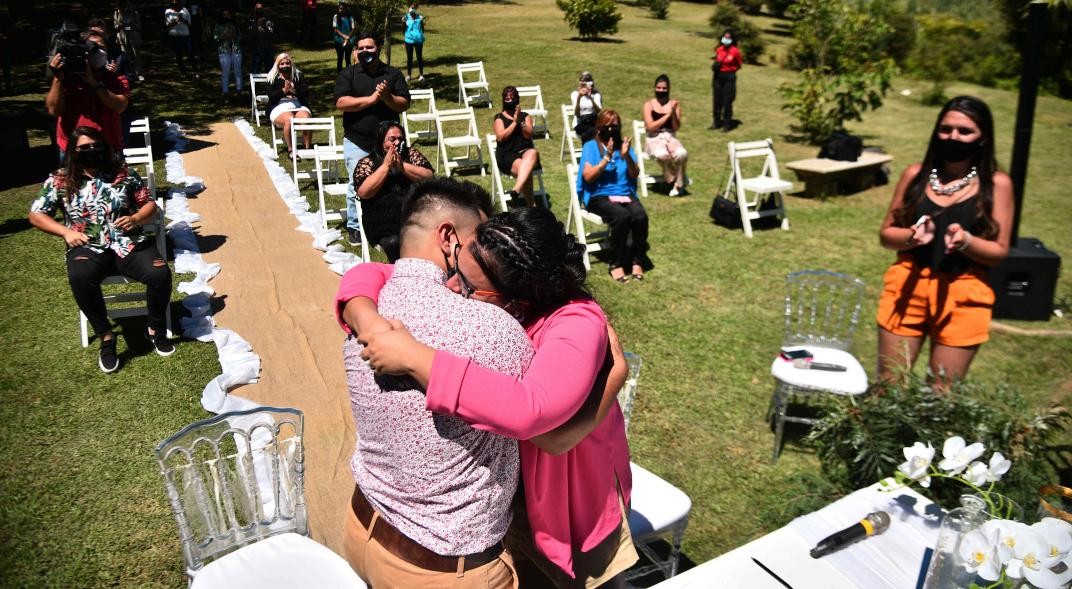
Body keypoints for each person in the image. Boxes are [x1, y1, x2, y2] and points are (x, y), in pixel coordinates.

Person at [339, 207, 636, 588]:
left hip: (572, 501)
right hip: (511, 497)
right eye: (453, 271)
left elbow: (534, 415)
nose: (448, 288)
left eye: (465, 286)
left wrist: (415, 357)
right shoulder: (502, 259)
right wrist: (367, 316)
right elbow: (376, 274)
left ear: (518, 299)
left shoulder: (577, 323)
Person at [336, 178, 529, 588]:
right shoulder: (493, 330)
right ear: (449, 238)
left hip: (362, 527)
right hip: (443, 568)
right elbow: (548, 418)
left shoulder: (367, 308)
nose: (493, 252)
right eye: (485, 240)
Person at [876, 96, 1013, 388]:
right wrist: (912, 236)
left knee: (941, 396)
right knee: (888, 387)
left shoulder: (996, 184)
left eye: (965, 132)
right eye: (946, 129)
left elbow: (999, 252)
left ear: (983, 137)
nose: (954, 137)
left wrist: (966, 242)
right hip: (908, 285)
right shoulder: (916, 175)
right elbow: (887, 235)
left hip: (963, 292)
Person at [28, 126, 175, 373]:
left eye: (96, 146)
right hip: (88, 246)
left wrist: (137, 218)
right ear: (73, 151)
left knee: (160, 274)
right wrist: (66, 232)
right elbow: (36, 214)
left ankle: (154, 328)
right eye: (84, 148)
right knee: (80, 277)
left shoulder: (122, 173)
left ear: (104, 147)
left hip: (128, 242)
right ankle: (106, 336)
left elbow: (150, 204)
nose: (91, 151)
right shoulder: (60, 179)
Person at [334, 31, 410, 248]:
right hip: (357, 140)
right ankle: (355, 227)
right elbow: (340, 103)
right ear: (356, 51)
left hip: (388, 143)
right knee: (357, 185)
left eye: (370, 47)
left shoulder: (392, 74)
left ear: (378, 49)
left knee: (391, 183)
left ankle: (387, 226)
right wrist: (370, 100)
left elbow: (404, 104)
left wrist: (387, 97)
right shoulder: (349, 74)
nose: (365, 51)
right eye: (361, 48)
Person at [579, 109, 650, 283]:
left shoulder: (624, 146)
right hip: (599, 195)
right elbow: (587, 176)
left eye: (615, 126)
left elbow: (634, 175)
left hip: (625, 194)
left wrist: (627, 157)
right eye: (607, 126)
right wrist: (606, 158)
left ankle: (637, 259)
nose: (611, 129)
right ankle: (616, 262)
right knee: (621, 216)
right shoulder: (590, 146)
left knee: (640, 216)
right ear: (599, 127)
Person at [45, 31, 131, 163]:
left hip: (107, 147)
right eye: (91, 47)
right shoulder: (66, 80)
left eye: (100, 47)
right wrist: (57, 78)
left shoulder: (116, 79)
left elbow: (119, 107)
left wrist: (94, 82)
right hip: (72, 148)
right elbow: (53, 110)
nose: (96, 51)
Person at [353, 121, 434, 261]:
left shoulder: (411, 154)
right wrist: (386, 166)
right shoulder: (368, 162)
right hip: (383, 223)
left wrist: (402, 167)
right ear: (381, 142)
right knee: (395, 242)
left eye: (400, 139)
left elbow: (428, 177)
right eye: (392, 139)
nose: (397, 142)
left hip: (415, 217)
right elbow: (364, 192)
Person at [493, 86, 541, 207]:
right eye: (507, 98)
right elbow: (501, 137)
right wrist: (514, 122)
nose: (509, 99)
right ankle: (532, 206)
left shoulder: (525, 116)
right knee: (525, 169)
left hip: (525, 153)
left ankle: (516, 189)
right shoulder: (499, 118)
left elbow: (529, 134)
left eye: (512, 97)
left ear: (517, 99)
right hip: (507, 155)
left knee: (532, 153)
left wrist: (521, 121)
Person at [643, 74, 689, 196]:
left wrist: (673, 114)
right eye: (658, 88)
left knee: (681, 153)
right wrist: (667, 116)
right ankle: (675, 177)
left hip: (670, 137)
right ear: (654, 88)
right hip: (654, 138)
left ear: (668, 89)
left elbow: (676, 127)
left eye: (664, 88)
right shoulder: (649, 105)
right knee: (662, 155)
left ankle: (677, 183)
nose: (661, 90)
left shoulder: (674, 104)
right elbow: (650, 126)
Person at [266, 53, 312, 157]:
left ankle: (307, 147)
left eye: (287, 63)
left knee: (306, 119)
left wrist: (294, 91)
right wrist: (284, 90)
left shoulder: (298, 75)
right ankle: (291, 149)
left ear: (291, 64)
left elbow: (306, 93)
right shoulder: (272, 77)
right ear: (278, 65)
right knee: (289, 120)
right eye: (282, 64)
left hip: (298, 103)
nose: (285, 66)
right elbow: (271, 96)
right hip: (279, 105)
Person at [710, 29, 741, 132]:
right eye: (725, 37)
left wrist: (730, 71)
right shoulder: (719, 49)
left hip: (729, 77)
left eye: (728, 38)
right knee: (717, 100)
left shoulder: (735, 51)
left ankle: (727, 124)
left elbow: (738, 65)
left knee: (727, 101)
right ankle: (716, 122)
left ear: (732, 39)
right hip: (718, 76)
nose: (726, 39)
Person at [165, 0, 199, 78]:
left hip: (185, 35)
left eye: (176, 5)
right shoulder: (168, 11)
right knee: (179, 54)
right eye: (173, 5)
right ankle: (183, 72)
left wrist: (182, 20)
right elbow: (168, 25)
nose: (175, 7)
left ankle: (195, 71)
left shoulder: (185, 10)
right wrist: (177, 20)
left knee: (190, 53)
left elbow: (189, 23)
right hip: (175, 36)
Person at [213, 8, 243, 98]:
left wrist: (234, 35)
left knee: (237, 71)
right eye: (224, 14)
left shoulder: (235, 24)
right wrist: (223, 35)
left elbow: (241, 36)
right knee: (225, 72)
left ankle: (239, 91)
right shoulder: (218, 25)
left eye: (228, 14)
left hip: (236, 49)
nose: (226, 16)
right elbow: (215, 37)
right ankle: (225, 92)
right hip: (224, 50)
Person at [113, 0, 145, 83]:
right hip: (122, 37)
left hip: (133, 36)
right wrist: (119, 26)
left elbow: (139, 26)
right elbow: (115, 26)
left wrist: (133, 25)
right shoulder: (117, 13)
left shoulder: (134, 13)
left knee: (136, 56)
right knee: (126, 57)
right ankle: (130, 74)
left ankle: (139, 74)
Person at [570, 71, 602, 143]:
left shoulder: (596, 94)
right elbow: (577, 113)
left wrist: (590, 97)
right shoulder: (575, 94)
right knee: (590, 132)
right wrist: (579, 98)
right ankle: (589, 151)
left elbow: (598, 110)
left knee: (604, 131)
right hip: (580, 123)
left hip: (593, 121)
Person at [247, 3, 275, 75]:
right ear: (254, 10)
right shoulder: (251, 20)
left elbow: (271, 33)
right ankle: (255, 86)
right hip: (256, 50)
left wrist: (263, 25)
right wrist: (257, 25)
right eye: (257, 9)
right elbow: (250, 35)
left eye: (260, 9)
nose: (259, 11)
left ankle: (270, 86)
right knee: (255, 71)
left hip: (268, 49)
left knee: (270, 71)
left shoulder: (268, 20)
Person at [402, 3, 425, 82]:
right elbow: (403, 28)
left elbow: (422, 28)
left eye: (413, 8)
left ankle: (421, 75)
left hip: (418, 41)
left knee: (419, 58)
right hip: (409, 40)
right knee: (409, 58)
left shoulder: (420, 18)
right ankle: (409, 75)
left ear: (415, 9)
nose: (412, 9)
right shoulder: (405, 18)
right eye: (411, 8)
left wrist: (420, 35)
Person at [332, 3, 356, 73]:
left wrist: (348, 37)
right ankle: (339, 72)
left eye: (342, 8)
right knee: (340, 57)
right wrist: (344, 36)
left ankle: (349, 72)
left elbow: (353, 29)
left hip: (349, 40)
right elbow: (335, 29)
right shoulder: (336, 17)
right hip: (339, 40)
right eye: (339, 8)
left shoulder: (350, 17)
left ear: (346, 9)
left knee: (348, 58)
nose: (340, 10)